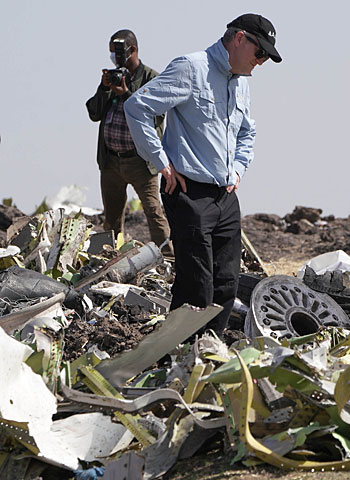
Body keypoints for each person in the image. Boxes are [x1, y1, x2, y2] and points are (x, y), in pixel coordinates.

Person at [124, 14, 282, 333]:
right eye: (260, 52)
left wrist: (238, 169)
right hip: (188, 192)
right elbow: (138, 107)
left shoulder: (241, 84)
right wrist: (161, 162)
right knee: (198, 285)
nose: (260, 62)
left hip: (225, 196)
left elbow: (247, 133)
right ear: (239, 39)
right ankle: (184, 354)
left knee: (226, 283)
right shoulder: (191, 68)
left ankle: (208, 352)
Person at [86, 30, 172, 254]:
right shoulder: (114, 77)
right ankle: (109, 258)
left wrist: (126, 94)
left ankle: (168, 257)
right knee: (112, 217)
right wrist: (104, 88)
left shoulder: (152, 78)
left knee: (154, 212)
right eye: (112, 53)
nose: (115, 58)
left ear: (132, 50)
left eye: (118, 53)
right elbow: (94, 113)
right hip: (111, 161)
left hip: (140, 161)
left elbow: (155, 117)